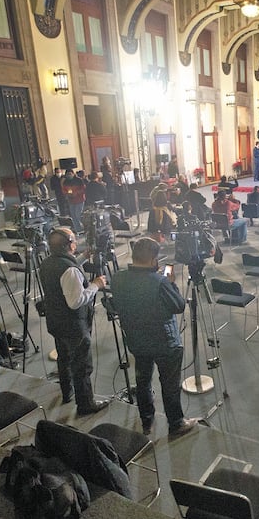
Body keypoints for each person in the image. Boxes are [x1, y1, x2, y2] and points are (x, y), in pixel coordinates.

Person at [110, 237, 198, 437]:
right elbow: (178, 306)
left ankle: (146, 420)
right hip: (165, 342)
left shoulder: (118, 278)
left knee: (143, 381)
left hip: (136, 340)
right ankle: (176, 423)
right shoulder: (160, 282)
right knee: (169, 384)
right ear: (153, 260)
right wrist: (171, 284)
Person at [38, 227, 110, 415]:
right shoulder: (69, 270)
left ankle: (67, 392)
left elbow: (66, 274)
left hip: (56, 321)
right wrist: (95, 285)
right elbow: (75, 301)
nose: (77, 242)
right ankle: (85, 404)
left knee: (64, 358)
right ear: (69, 244)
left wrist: (83, 258)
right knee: (82, 365)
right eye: (74, 240)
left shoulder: (48, 263)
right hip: (73, 326)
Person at [62, 168, 86, 233]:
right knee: (73, 215)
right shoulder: (65, 182)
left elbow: (83, 189)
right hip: (71, 201)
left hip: (79, 200)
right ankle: (77, 229)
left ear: (73, 174)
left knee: (78, 214)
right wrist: (67, 194)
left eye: (70, 174)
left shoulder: (79, 180)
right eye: (67, 174)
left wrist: (76, 193)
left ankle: (83, 227)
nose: (69, 175)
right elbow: (64, 190)